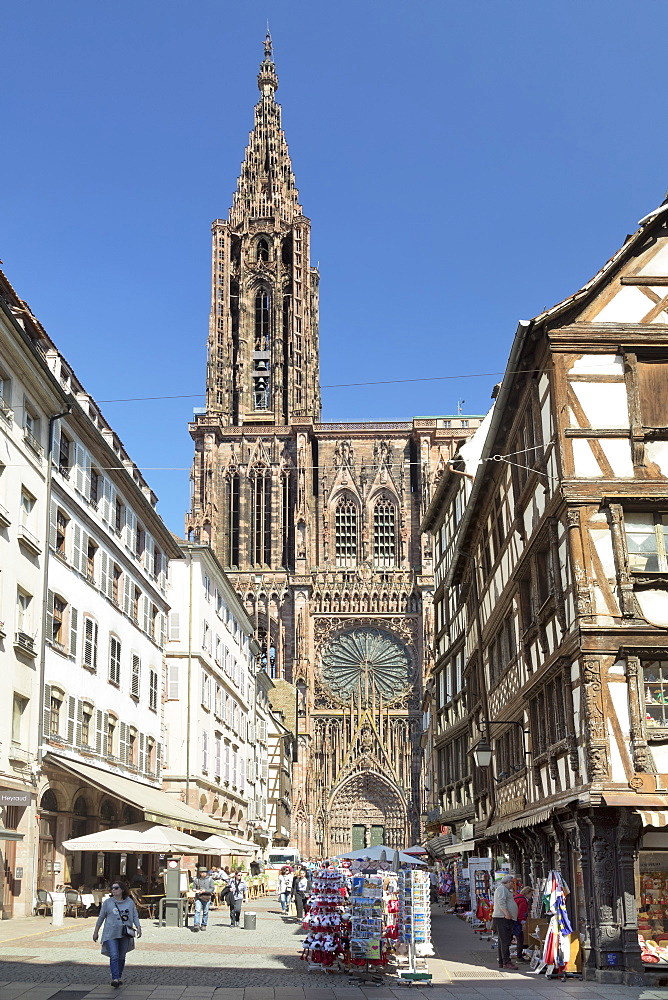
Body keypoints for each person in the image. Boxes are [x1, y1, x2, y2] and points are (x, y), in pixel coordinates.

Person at [93, 880, 142, 987]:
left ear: (122, 890)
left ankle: (118, 976)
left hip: (125, 933)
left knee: (122, 957)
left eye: (116, 888)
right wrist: (96, 932)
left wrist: (138, 927)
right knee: (114, 955)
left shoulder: (129, 902)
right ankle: (115, 978)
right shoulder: (108, 902)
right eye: (112, 888)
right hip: (110, 933)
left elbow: (134, 916)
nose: (113, 890)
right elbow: (101, 917)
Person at [492, 875, 518, 969]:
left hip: (503, 918)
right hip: (502, 918)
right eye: (512, 882)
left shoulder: (504, 890)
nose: (513, 884)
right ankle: (506, 961)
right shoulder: (502, 889)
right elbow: (501, 902)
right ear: (509, 882)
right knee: (505, 940)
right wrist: (506, 913)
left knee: (502, 940)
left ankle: (502, 961)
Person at [191, 866, 215, 932]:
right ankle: (196, 924)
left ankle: (204, 924)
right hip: (198, 897)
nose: (203, 873)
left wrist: (205, 891)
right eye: (202, 872)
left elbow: (212, 889)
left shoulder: (210, 879)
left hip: (207, 897)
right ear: (200, 873)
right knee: (197, 910)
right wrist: (196, 890)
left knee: (205, 912)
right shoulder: (197, 880)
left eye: (204, 872)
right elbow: (193, 888)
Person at [513, 885, 532, 961]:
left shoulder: (517, 898)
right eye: (531, 894)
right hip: (517, 921)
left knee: (513, 938)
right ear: (527, 893)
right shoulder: (523, 901)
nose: (531, 896)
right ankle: (519, 957)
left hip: (512, 919)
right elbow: (521, 913)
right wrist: (523, 923)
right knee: (520, 938)